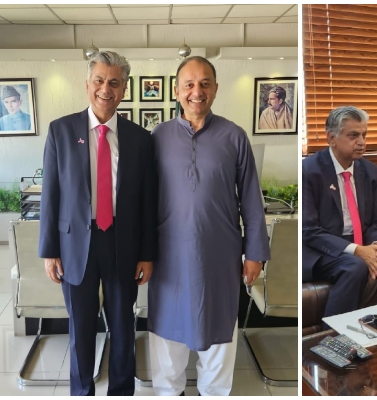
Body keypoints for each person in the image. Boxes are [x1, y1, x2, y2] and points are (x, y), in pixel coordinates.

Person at [148, 56, 270, 396]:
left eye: (204, 84)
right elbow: (143, 201)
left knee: (218, 336)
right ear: (176, 91)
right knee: (167, 335)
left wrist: (255, 252)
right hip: (168, 255)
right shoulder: (158, 137)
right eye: (188, 84)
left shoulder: (234, 136)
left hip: (219, 255)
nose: (196, 92)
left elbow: (250, 199)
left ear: (215, 89)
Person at [38, 51, 157, 396]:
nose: (107, 89)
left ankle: (121, 390)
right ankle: (81, 391)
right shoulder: (61, 130)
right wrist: (49, 251)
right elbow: (51, 194)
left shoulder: (140, 138)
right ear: (88, 84)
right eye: (100, 80)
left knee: (122, 327)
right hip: (75, 244)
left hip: (123, 242)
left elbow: (147, 201)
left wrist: (147, 253)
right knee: (81, 328)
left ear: (124, 89)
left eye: (115, 82)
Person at [302, 106, 377, 320]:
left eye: (364, 135)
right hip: (324, 249)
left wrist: (376, 247)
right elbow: (309, 231)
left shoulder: (369, 171)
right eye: (353, 135)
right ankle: (333, 341)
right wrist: (357, 251)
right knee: (354, 266)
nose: (361, 141)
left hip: (363, 241)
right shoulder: (309, 171)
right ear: (331, 138)